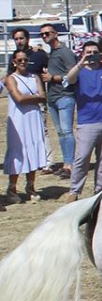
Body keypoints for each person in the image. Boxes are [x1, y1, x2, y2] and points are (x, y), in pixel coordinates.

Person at [64, 40, 102, 202]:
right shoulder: (80, 72)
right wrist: (81, 64)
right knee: (82, 157)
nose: (91, 55)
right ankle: (74, 190)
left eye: (94, 52)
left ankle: (100, 191)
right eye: (88, 52)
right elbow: (69, 78)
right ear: (82, 54)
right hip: (87, 120)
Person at [3, 49, 48, 206]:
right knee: (17, 150)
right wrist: (35, 98)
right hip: (18, 119)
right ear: (14, 62)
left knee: (33, 148)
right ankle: (12, 188)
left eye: (25, 60)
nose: (23, 62)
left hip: (34, 117)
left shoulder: (34, 77)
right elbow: (18, 98)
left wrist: (34, 98)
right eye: (19, 60)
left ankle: (31, 186)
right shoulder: (11, 78)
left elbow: (43, 96)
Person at [41, 24, 76, 180]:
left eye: (47, 33)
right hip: (53, 97)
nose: (44, 36)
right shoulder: (53, 53)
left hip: (64, 96)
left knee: (67, 131)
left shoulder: (65, 52)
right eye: (42, 34)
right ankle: (66, 164)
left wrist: (52, 78)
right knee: (61, 133)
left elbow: (73, 74)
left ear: (55, 34)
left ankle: (70, 165)